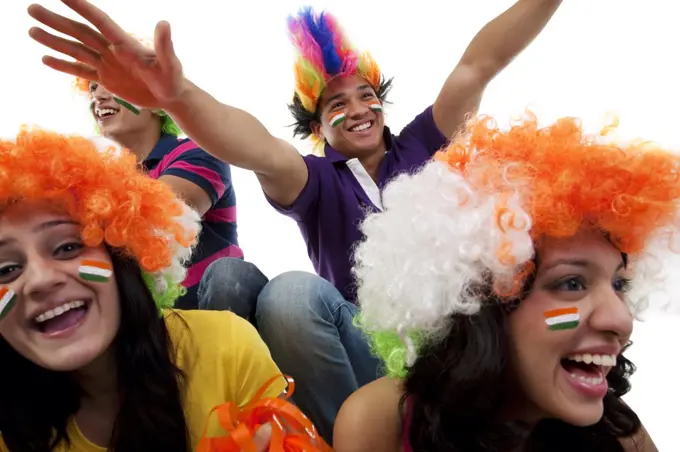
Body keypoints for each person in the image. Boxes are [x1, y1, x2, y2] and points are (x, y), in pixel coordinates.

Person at [25, 0, 562, 442]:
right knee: (291, 296)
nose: (357, 109)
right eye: (336, 104)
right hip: (364, 356)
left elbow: (478, 64)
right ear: (316, 127)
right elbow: (255, 147)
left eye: (368, 96)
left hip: (453, 354)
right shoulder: (315, 181)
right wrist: (179, 96)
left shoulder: (423, 144)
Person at [332, 113, 667, 451]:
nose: (621, 320)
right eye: (572, 283)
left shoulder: (620, 435)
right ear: (480, 298)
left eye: (619, 285)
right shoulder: (380, 423)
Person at [0, 128, 289, 451]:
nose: (40, 279)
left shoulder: (223, 348)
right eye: (6, 270)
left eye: (67, 247)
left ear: (121, 253)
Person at [74, 37, 263, 312]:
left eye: (115, 86)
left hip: (217, 311)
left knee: (228, 275)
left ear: (152, 102)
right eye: (93, 88)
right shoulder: (98, 178)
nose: (99, 96)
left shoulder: (198, 151)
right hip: (150, 324)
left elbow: (156, 216)